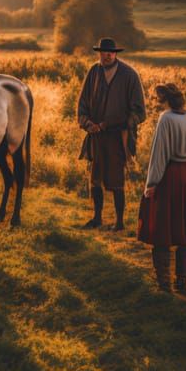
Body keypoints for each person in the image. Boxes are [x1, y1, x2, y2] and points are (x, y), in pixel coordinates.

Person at [138, 82, 186, 292]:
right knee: (184, 230)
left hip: (170, 176)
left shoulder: (165, 119)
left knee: (162, 229)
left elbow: (159, 154)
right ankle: (182, 280)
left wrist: (152, 183)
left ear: (166, 100)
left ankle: (164, 283)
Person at [76, 36, 146, 230]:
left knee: (117, 180)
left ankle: (120, 222)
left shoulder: (129, 75)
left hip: (118, 137)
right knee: (95, 178)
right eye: (103, 52)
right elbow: (82, 104)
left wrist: (122, 123)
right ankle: (97, 218)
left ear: (115, 53)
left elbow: (140, 112)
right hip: (96, 136)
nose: (106, 56)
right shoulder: (93, 72)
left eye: (110, 53)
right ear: (99, 53)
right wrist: (87, 123)